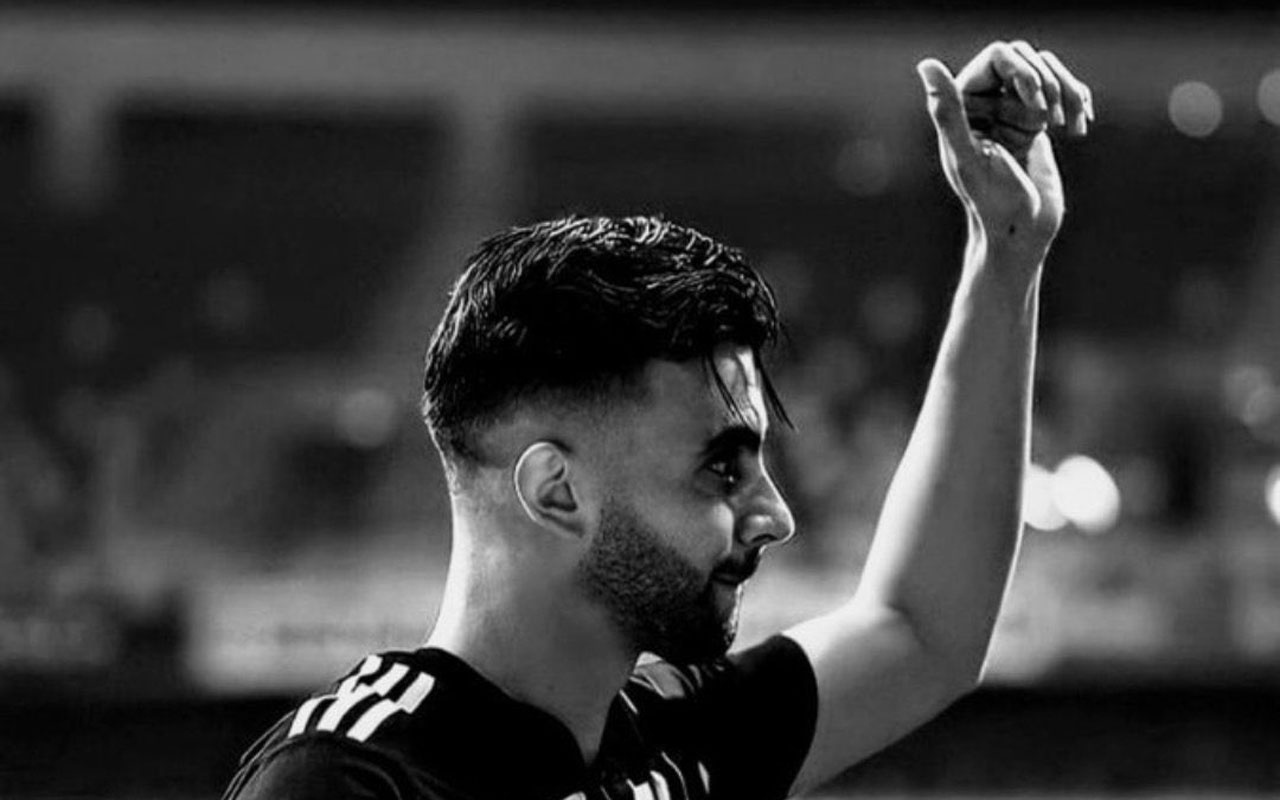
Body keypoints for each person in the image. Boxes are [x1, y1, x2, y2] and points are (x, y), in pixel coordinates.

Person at [224, 40, 1093, 800]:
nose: (774, 515)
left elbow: (923, 630)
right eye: (721, 467)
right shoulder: (347, 780)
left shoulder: (666, 739)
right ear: (556, 491)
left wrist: (1006, 256)